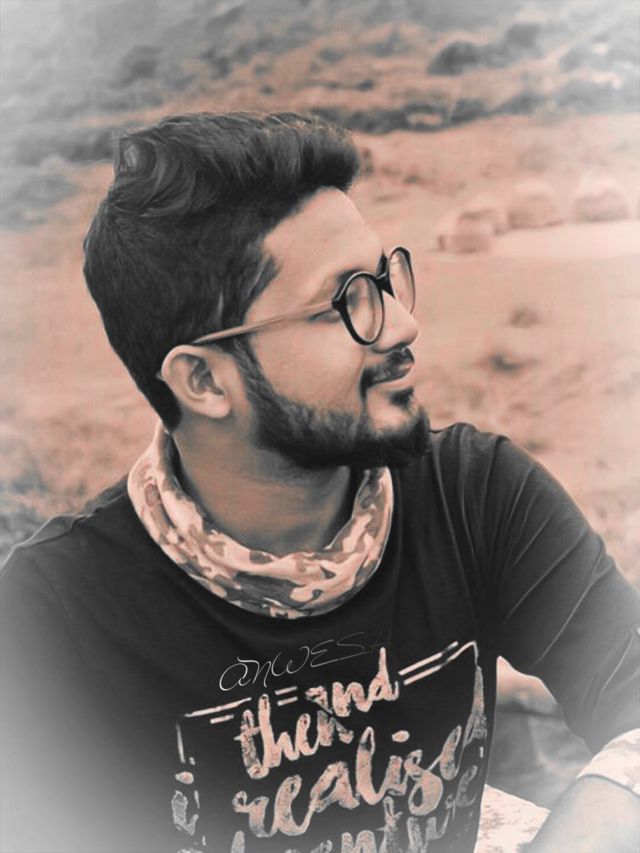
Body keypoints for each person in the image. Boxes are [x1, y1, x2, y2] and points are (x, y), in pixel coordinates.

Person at [1, 112, 638, 853]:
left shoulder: (474, 495)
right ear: (204, 380)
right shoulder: (54, 616)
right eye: (346, 302)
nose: (399, 325)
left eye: (385, 278)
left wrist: (592, 818)